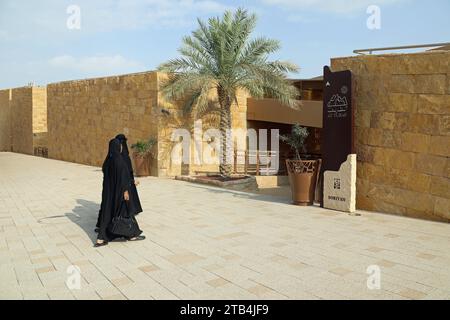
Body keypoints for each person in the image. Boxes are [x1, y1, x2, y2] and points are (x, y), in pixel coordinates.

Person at [95, 138, 145, 247]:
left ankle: (100, 238)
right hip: (119, 192)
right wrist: (127, 189)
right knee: (126, 212)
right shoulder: (119, 161)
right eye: (120, 145)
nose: (122, 147)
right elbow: (123, 177)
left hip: (108, 193)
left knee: (107, 214)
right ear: (118, 147)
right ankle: (132, 235)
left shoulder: (108, 161)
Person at [115, 134, 143, 216]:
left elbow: (128, 170)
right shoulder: (123, 155)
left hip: (126, 179)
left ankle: (129, 209)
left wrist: (130, 180)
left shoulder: (123, 156)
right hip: (128, 178)